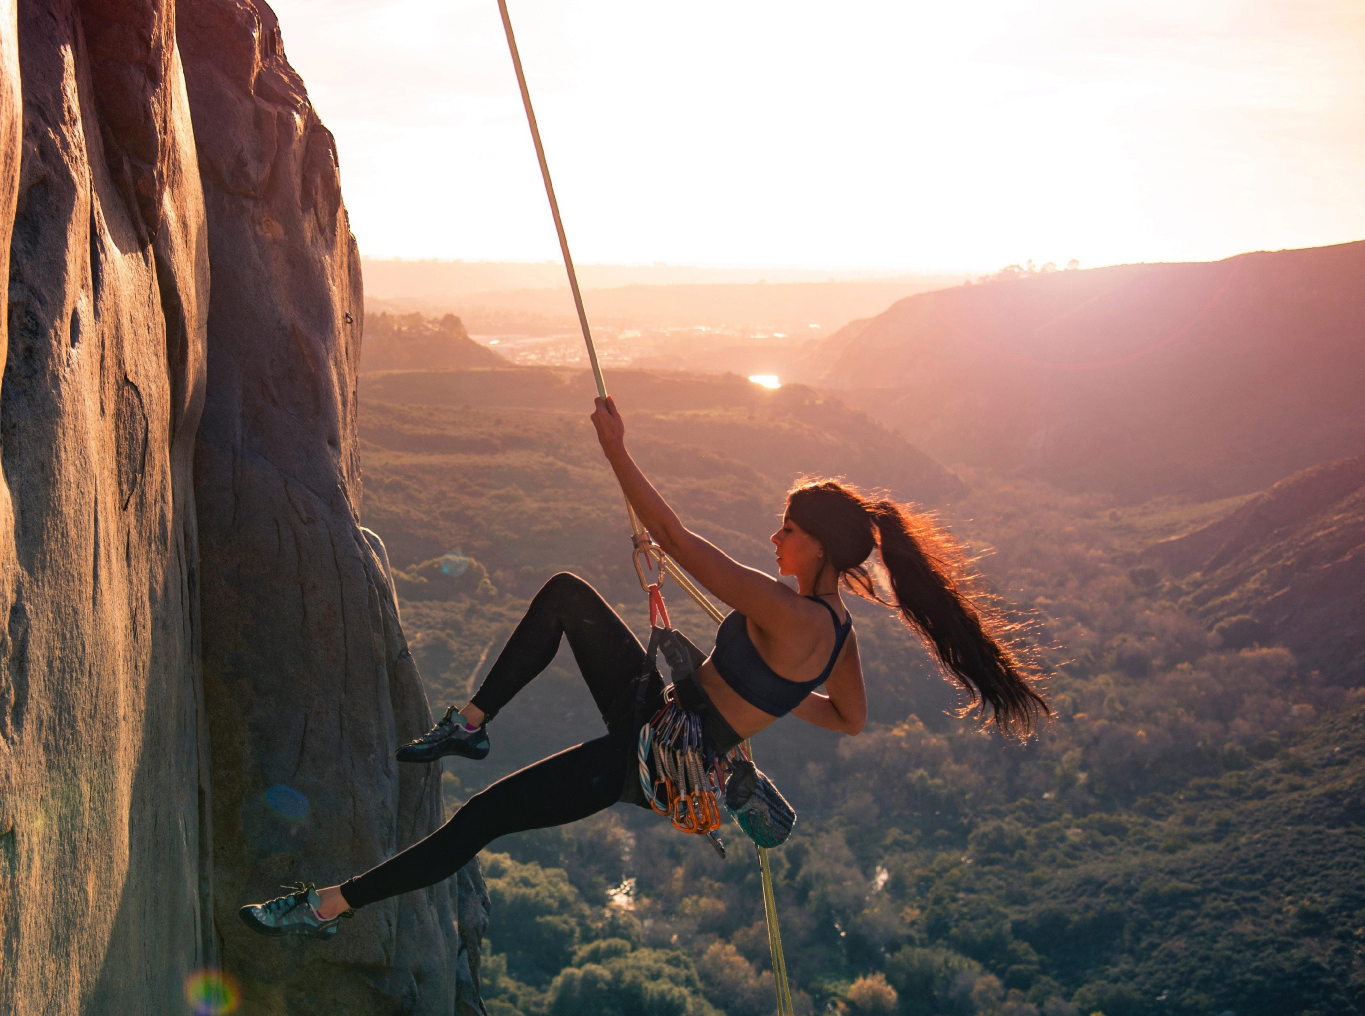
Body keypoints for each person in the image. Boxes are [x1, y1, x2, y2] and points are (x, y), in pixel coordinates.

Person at [240, 396, 1049, 938]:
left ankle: (324, 906)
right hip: (666, 713)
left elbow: (679, 535)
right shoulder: (836, 635)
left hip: (650, 756)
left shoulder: (789, 610)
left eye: (787, 529)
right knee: (565, 595)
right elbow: (852, 719)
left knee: (478, 822)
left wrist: (615, 450)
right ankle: (473, 726)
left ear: (820, 546)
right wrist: (768, 709)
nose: (775, 540)